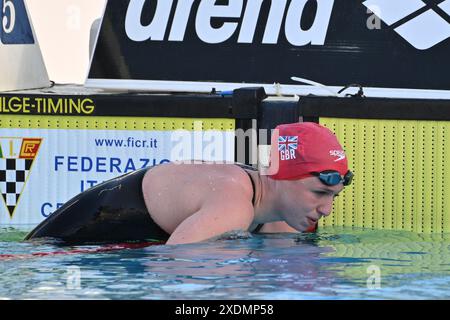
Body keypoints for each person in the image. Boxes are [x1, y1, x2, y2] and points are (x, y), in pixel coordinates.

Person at [25, 122, 353, 245]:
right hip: (57, 247)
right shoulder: (232, 205)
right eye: (320, 193)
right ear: (280, 175)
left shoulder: (281, 218)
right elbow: (176, 279)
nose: (326, 209)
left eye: (333, 196)